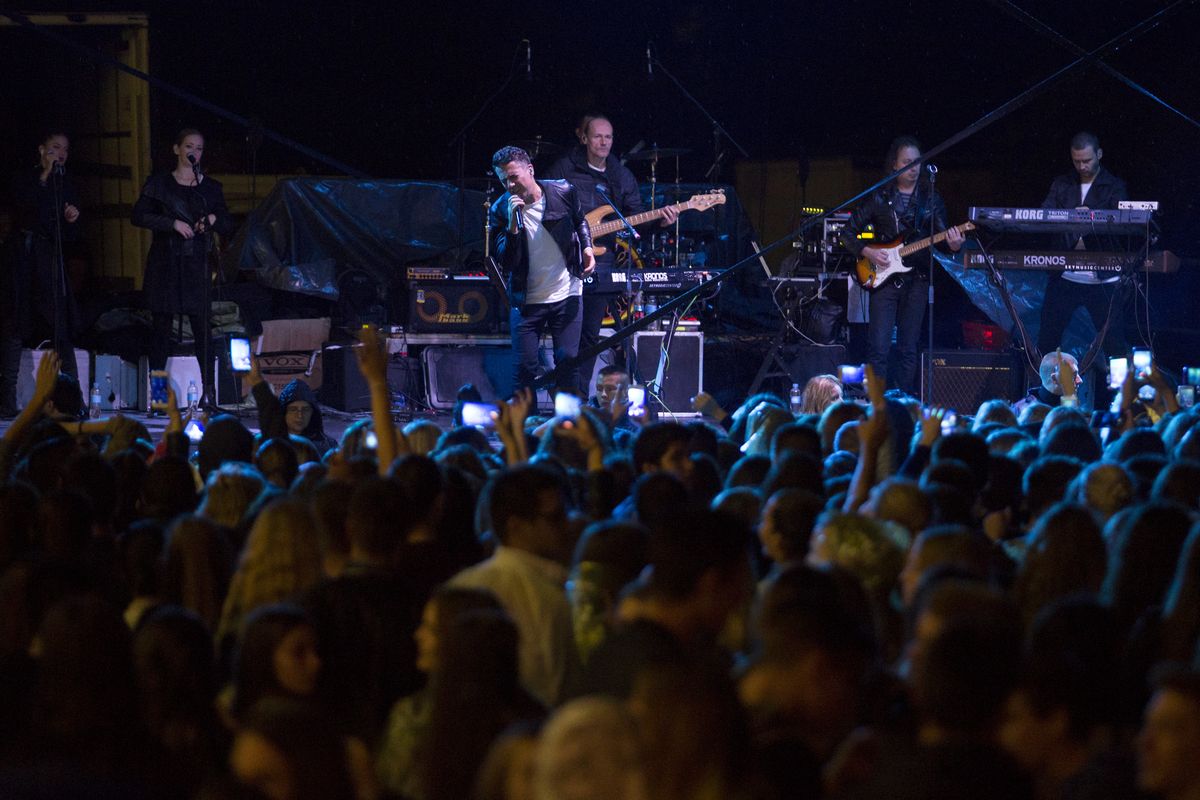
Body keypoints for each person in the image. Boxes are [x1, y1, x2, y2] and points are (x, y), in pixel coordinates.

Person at [543, 115, 677, 390]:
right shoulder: (565, 168)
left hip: (601, 263)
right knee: (567, 335)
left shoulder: (620, 176)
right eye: (597, 137)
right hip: (565, 260)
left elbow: (634, 218)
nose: (604, 143)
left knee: (590, 334)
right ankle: (562, 394)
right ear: (584, 138)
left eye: (609, 137)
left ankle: (578, 396)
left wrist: (659, 221)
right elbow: (545, 208)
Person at [840, 136, 964, 394]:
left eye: (917, 162)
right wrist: (869, 252)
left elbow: (942, 238)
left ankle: (903, 404)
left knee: (909, 347)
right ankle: (877, 405)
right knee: (879, 349)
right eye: (907, 162)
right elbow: (847, 234)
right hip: (883, 280)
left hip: (917, 280)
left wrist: (953, 244)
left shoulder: (930, 198)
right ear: (894, 166)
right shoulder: (879, 197)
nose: (914, 168)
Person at [131, 128, 234, 403]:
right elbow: (138, 215)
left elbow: (227, 222)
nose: (194, 152)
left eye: (199, 148)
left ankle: (208, 393)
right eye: (189, 146)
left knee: (202, 327)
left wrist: (211, 219)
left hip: (196, 265)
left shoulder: (209, 188)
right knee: (161, 329)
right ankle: (159, 395)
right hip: (166, 262)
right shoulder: (160, 183)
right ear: (176, 149)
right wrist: (171, 223)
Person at [490, 145, 595, 393]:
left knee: (568, 364)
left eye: (514, 177)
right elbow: (506, 263)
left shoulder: (563, 190)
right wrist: (513, 227)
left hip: (565, 292)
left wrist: (588, 249)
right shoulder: (500, 210)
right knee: (525, 369)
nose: (510, 185)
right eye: (504, 180)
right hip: (527, 300)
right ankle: (527, 428)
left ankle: (568, 426)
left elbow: (581, 221)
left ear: (531, 170)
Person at [1036, 132, 1130, 401]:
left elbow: (1122, 223)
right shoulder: (1062, 184)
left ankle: (1120, 400)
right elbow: (1043, 215)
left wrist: (1088, 219)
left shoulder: (1114, 186)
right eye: (1077, 161)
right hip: (1066, 274)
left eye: (1087, 160)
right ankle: (1046, 399)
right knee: (1047, 339)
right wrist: (1067, 218)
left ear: (1098, 155)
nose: (1082, 166)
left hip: (1103, 279)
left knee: (1114, 345)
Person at [2, 131, 83, 416]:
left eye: (64, 149)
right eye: (54, 148)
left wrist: (71, 218)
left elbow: (70, 236)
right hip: (23, 257)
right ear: (41, 150)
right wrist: (44, 177)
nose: (59, 154)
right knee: (15, 326)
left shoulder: (66, 184)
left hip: (48, 258)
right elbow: (22, 208)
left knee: (59, 325)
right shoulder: (26, 178)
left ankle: (76, 401)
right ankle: (7, 402)